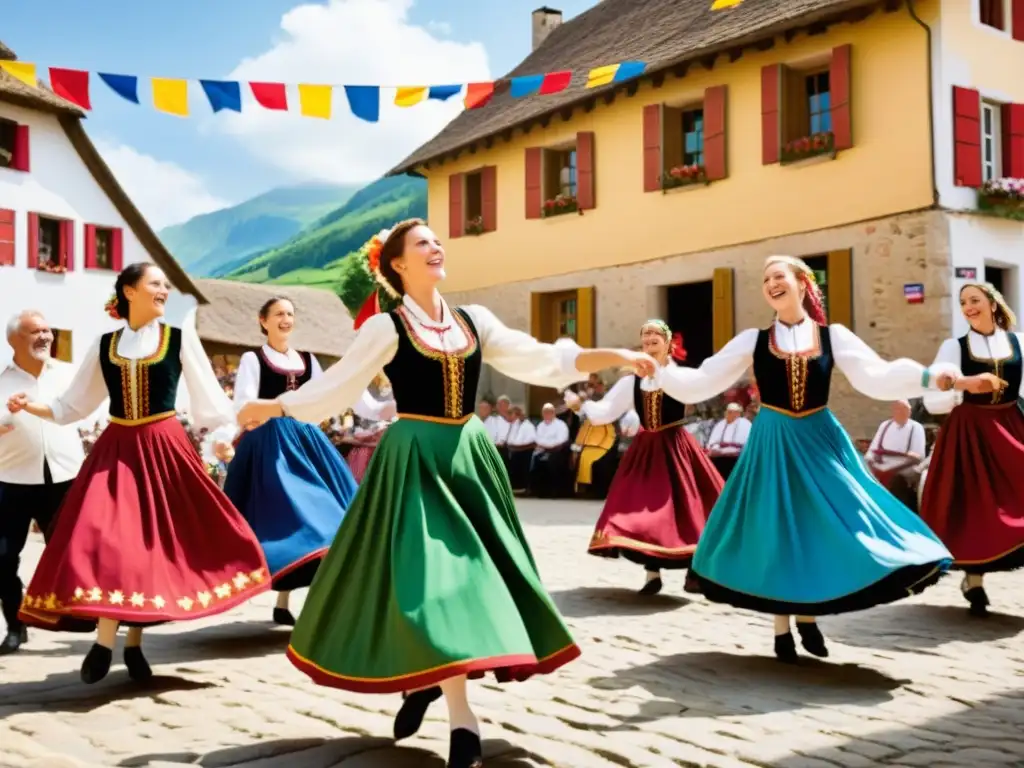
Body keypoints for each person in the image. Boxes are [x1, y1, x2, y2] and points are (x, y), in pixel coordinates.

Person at [236, 219, 655, 768]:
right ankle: (464, 721)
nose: (436, 246)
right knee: (434, 580)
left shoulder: (473, 320)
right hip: (413, 459)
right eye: (422, 243)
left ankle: (426, 683)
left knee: (471, 579)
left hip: (468, 458)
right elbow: (337, 385)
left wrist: (617, 356)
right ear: (398, 266)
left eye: (437, 240)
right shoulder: (385, 328)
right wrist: (275, 407)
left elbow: (541, 357)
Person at [654, 255, 955, 662]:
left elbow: (877, 375)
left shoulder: (834, 337)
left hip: (818, 438)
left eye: (779, 276)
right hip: (773, 440)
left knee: (829, 522)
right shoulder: (753, 340)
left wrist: (927, 377)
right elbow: (705, 377)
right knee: (776, 528)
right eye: (765, 279)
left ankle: (810, 617)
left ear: (801, 283)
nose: (771, 284)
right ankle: (782, 629)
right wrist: (662, 368)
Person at [6, 264, 270, 684]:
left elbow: (210, 401)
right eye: (156, 284)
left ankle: (129, 644)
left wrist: (223, 436)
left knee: (151, 547)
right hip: (117, 450)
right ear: (129, 291)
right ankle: (106, 643)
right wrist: (29, 407)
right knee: (111, 539)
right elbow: (73, 406)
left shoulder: (179, 340)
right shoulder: (105, 343)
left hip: (164, 449)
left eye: (166, 285)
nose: (164, 290)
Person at [224, 297, 393, 626]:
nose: (286, 319)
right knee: (289, 514)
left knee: (327, 510)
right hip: (269, 443)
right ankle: (281, 587)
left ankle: (288, 601)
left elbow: (330, 394)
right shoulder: (252, 358)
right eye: (278, 314)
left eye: (290, 314)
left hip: (305, 441)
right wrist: (277, 409)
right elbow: (243, 402)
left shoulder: (308, 360)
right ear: (263, 321)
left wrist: (382, 408)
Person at [565, 319, 721, 595]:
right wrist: (582, 404)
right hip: (646, 448)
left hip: (675, 445)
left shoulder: (679, 375)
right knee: (643, 510)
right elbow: (606, 412)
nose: (649, 346)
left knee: (688, 508)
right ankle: (652, 575)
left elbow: (702, 388)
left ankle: (694, 571)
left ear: (668, 345)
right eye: (645, 342)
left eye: (655, 341)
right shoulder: (631, 382)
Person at [919, 282, 1024, 616]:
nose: (968, 307)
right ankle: (974, 580)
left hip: (1010, 426)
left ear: (993, 304)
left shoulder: (1018, 342)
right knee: (975, 503)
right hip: (970, 432)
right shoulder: (955, 347)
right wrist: (965, 387)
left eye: (975, 300)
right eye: (963, 302)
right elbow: (932, 397)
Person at [0, 311, 85, 654]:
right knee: (2, 558)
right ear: (14, 340)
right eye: (36, 331)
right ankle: (15, 626)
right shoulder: (1, 382)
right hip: (11, 480)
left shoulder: (69, 375)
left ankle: (77, 614)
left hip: (66, 477)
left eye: (48, 330)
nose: (46, 337)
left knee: (69, 553)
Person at [864, 399, 926, 511]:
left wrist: (895, 467)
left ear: (909, 412)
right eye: (897, 409)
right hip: (880, 468)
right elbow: (873, 449)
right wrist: (870, 463)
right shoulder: (885, 425)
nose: (900, 412)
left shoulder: (916, 428)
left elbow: (919, 456)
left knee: (896, 488)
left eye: (904, 409)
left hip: (902, 473)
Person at [706, 402, 752, 480]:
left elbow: (746, 445)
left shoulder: (745, 424)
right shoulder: (720, 424)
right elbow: (712, 443)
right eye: (727, 412)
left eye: (730, 412)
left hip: (736, 460)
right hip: (719, 458)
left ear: (737, 413)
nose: (727, 414)